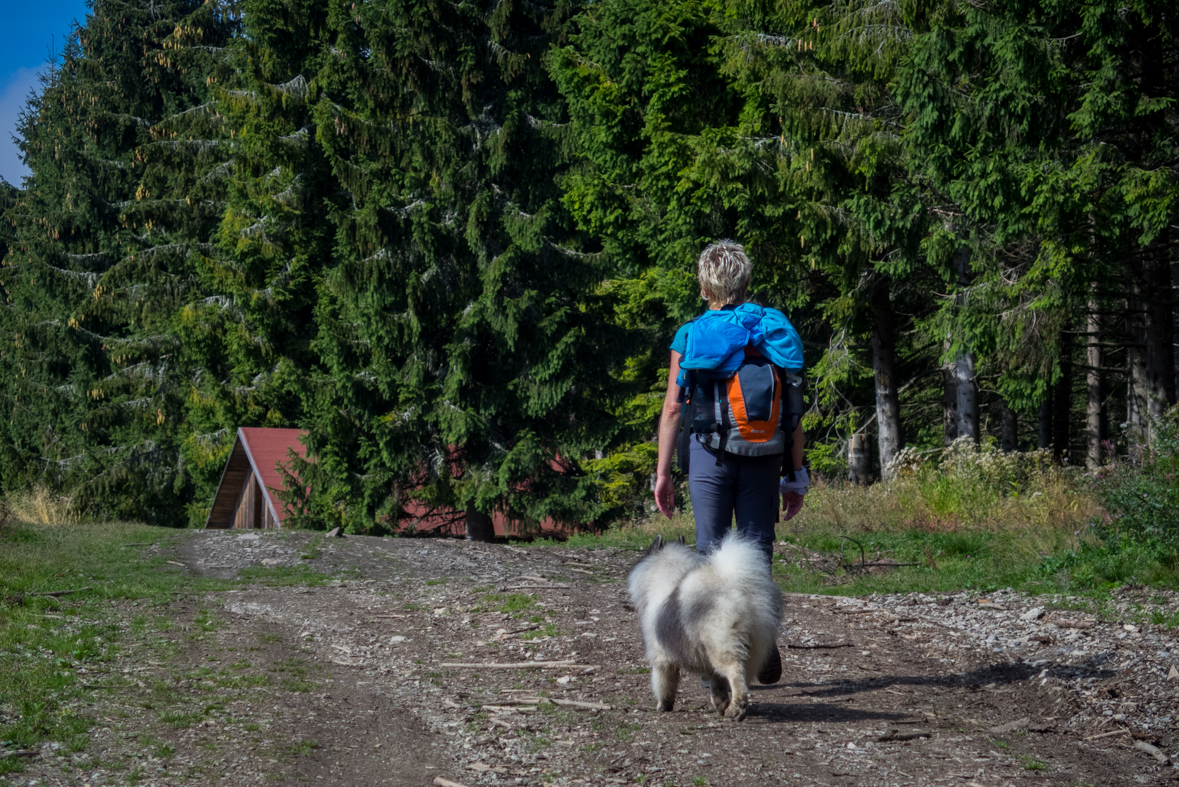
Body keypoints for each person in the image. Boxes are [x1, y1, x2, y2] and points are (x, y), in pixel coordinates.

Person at [653, 240, 809, 683]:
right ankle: (762, 642)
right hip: (766, 453)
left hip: (710, 455)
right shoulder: (774, 330)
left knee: (710, 556)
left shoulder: (692, 334)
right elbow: (793, 410)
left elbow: (672, 409)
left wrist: (663, 473)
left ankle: (716, 662)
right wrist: (796, 474)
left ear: (705, 287)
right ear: (745, 282)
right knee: (757, 554)